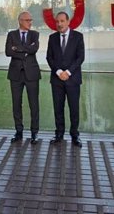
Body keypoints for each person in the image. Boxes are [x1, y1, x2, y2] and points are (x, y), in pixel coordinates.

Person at [46, 11, 85, 147]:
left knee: (74, 109)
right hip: (57, 80)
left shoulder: (78, 37)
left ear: (68, 22)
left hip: (73, 80)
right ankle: (59, 134)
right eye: (57, 21)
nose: (59, 24)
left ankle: (75, 135)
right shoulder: (52, 38)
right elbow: (49, 58)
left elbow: (80, 57)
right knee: (58, 108)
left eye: (62, 21)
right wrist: (58, 72)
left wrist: (68, 72)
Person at [5, 11, 41, 144]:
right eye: (27, 20)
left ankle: (34, 133)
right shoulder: (11, 34)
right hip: (16, 75)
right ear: (20, 21)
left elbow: (34, 49)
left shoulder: (34, 34)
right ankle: (18, 132)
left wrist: (18, 49)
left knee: (34, 105)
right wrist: (26, 50)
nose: (30, 22)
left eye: (31, 20)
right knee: (16, 104)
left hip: (32, 74)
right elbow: (8, 52)